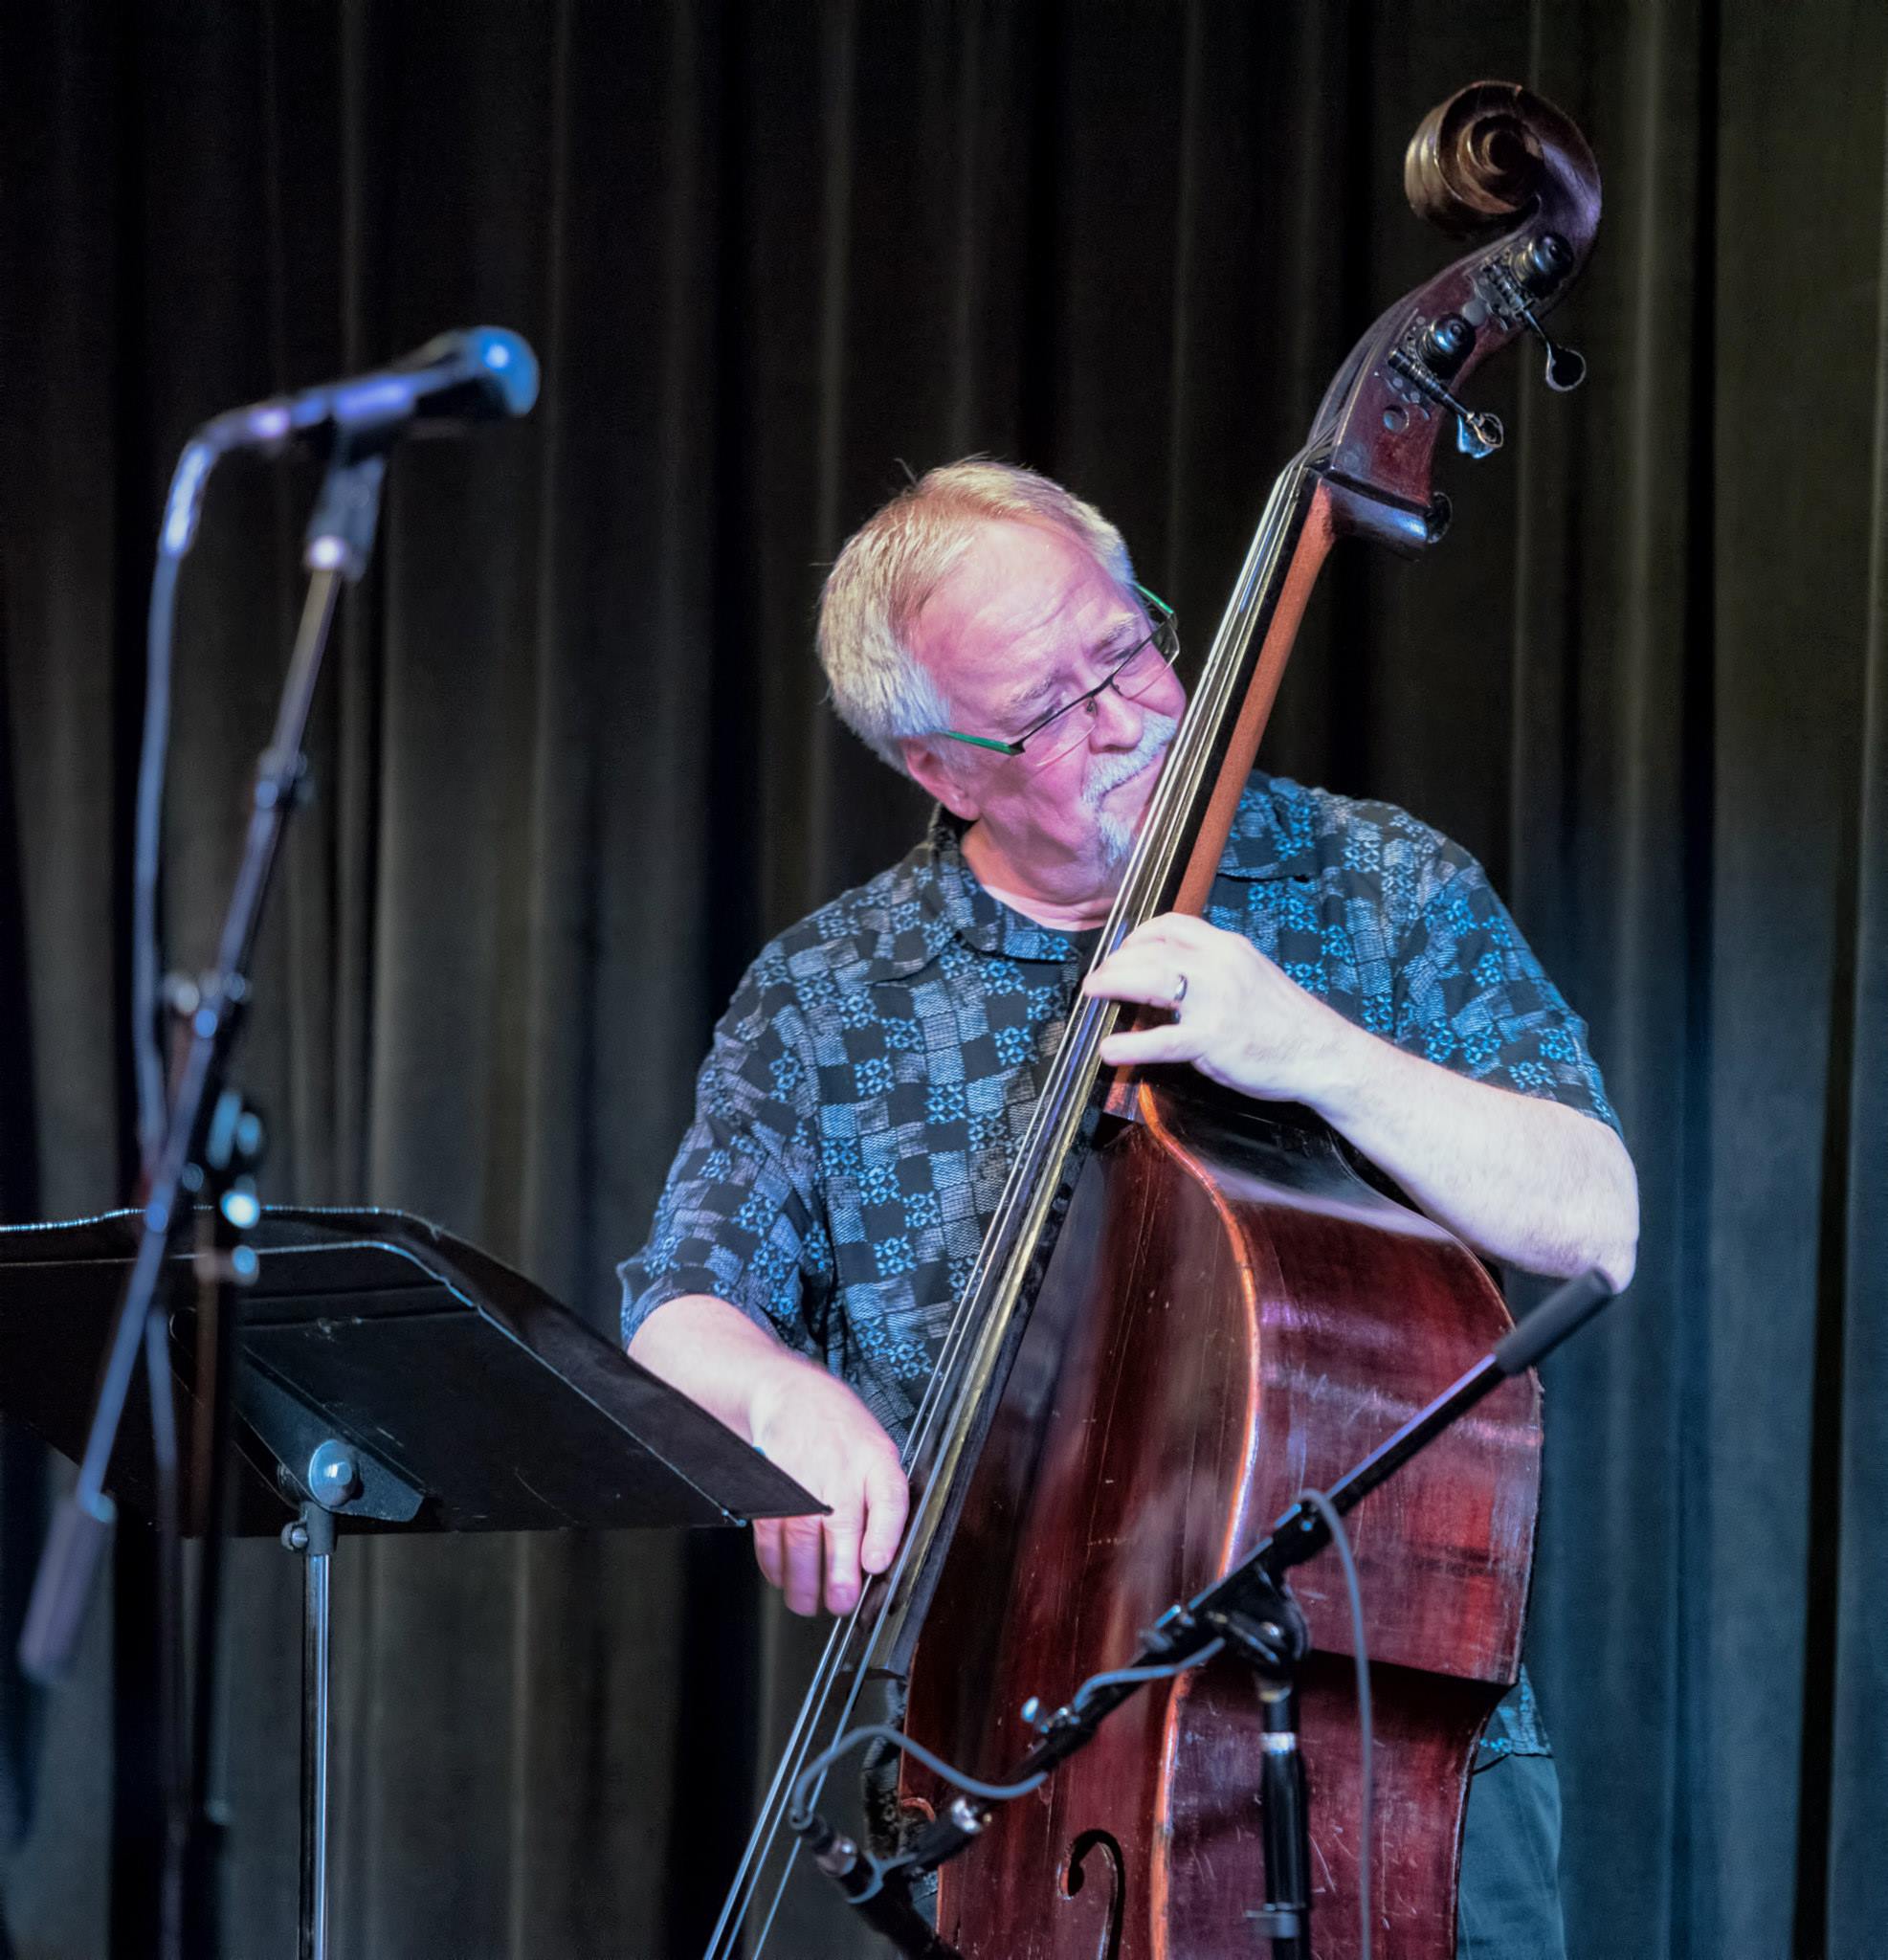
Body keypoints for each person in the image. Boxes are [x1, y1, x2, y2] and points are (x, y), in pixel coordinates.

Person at [620, 459, 1639, 1957]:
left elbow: (1592, 1216)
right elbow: (682, 1309)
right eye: (1048, 711)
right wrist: (776, 1399)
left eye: (1129, 648)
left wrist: (1311, 1051)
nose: (1130, 717)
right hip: (1010, 1783)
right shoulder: (830, 995)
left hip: (1397, 1766)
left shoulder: (1370, 883)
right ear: (941, 769)